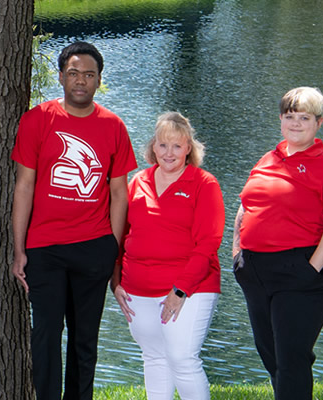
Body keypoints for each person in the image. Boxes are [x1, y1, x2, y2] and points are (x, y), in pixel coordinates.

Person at [11, 41, 134, 400]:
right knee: (45, 336)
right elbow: (24, 186)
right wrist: (19, 249)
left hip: (93, 247)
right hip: (44, 249)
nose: (81, 80)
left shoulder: (113, 126)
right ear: (62, 76)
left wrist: (111, 247)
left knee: (85, 340)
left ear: (98, 80)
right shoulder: (38, 119)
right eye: (74, 73)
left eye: (89, 75)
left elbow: (118, 193)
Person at [231, 87, 323, 400]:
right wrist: (237, 253)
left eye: (305, 118)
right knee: (270, 351)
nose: (296, 124)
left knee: (291, 356)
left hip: (303, 271)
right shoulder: (268, 159)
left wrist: (310, 269)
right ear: (281, 120)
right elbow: (246, 204)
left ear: (318, 123)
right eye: (290, 117)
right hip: (256, 270)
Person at [112, 112, 223, 400]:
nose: (169, 153)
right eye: (163, 145)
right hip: (137, 290)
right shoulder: (138, 182)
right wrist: (116, 282)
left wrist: (180, 290)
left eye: (177, 145)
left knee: (182, 359)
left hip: (189, 289)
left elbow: (208, 242)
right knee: (154, 357)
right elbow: (120, 237)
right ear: (153, 147)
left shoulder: (204, 184)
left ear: (189, 148)